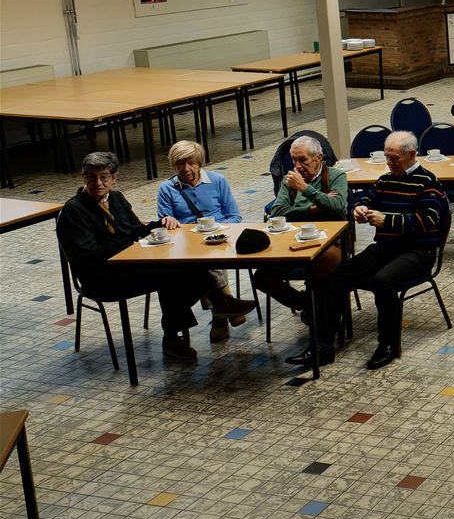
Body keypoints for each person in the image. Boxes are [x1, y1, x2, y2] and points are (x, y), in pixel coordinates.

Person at [58, 151, 256, 364]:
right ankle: (207, 312)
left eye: (104, 177)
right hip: (102, 277)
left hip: (129, 265)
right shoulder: (74, 210)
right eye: (92, 177)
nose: (98, 183)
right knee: (169, 277)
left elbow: (134, 230)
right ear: (83, 177)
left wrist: (160, 224)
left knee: (191, 268)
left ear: (114, 178)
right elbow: (87, 254)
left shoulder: (116, 198)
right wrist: (129, 249)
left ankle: (192, 323)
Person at [319, 131, 447, 371]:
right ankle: (322, 345)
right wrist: (359, 208)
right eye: (387, 157)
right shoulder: (385, 180)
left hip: (418, 251)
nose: (389, 162)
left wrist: (387, 220)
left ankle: (387, 344)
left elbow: (427, 220)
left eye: (394, 158)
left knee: (383, 281)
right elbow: (367, 199)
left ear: (411, 154)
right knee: (337, 276)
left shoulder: (428, 182)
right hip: (386, 247)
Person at [255, 136, 348, 363]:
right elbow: (277, 213)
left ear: (318, 158)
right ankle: (307, 304)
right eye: (294, 160)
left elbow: (337, 206)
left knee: (323, 275)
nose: (297, 166)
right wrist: (315, 208)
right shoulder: (290, 180)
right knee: (262, 277)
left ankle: (320, 345)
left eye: (302, 160)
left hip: (328, 243)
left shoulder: (336, 176)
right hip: (292, 244)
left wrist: (305, 190)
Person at [156, 140, 244, 342]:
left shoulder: (218, 180)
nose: (186, 169)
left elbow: (234, 216)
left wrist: (219, 230)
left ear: (200, 163)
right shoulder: (167, 188)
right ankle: (224, 307)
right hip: (186, 243)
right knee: (204, 262)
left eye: (191, 163)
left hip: (219, 237)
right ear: (174, 165)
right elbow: (165, 222)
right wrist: (168, 221)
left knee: (208, 258)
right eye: (180, 164)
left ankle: (221, 314)